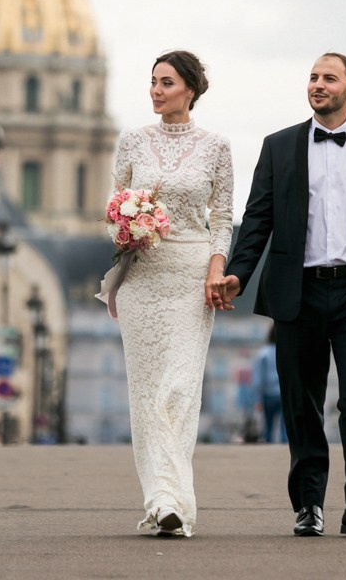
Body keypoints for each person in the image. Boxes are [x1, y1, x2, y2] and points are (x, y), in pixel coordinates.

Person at [212, 52, 346, 538]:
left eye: (329, 78)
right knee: (301, 401)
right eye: (313, 77)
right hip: (298, 291)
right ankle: (308, 504)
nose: (317, 85)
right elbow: (257, 219)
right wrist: (237, 275)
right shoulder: (279, 146)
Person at [101, 50, 233, 537]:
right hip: (142, 278)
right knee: (147, 392)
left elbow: (221, 219)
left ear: (190, 90)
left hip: (191, 277)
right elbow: (114, 209)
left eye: (167, 82)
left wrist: (216, 270)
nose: (156, 90)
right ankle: (162, 500)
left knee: (178, 390)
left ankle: (173, 496)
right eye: (153, 81)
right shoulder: (132, 142)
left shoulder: (216, 146)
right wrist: (129, 225)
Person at [253, 325, 287, 443]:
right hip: (284, 394)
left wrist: (258, 400)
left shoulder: (263, 353)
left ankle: (268, 453)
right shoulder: (286, 351)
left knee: (268, 427)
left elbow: (258, 379)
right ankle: (285, 454)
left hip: (268, 395)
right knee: (285, 428)